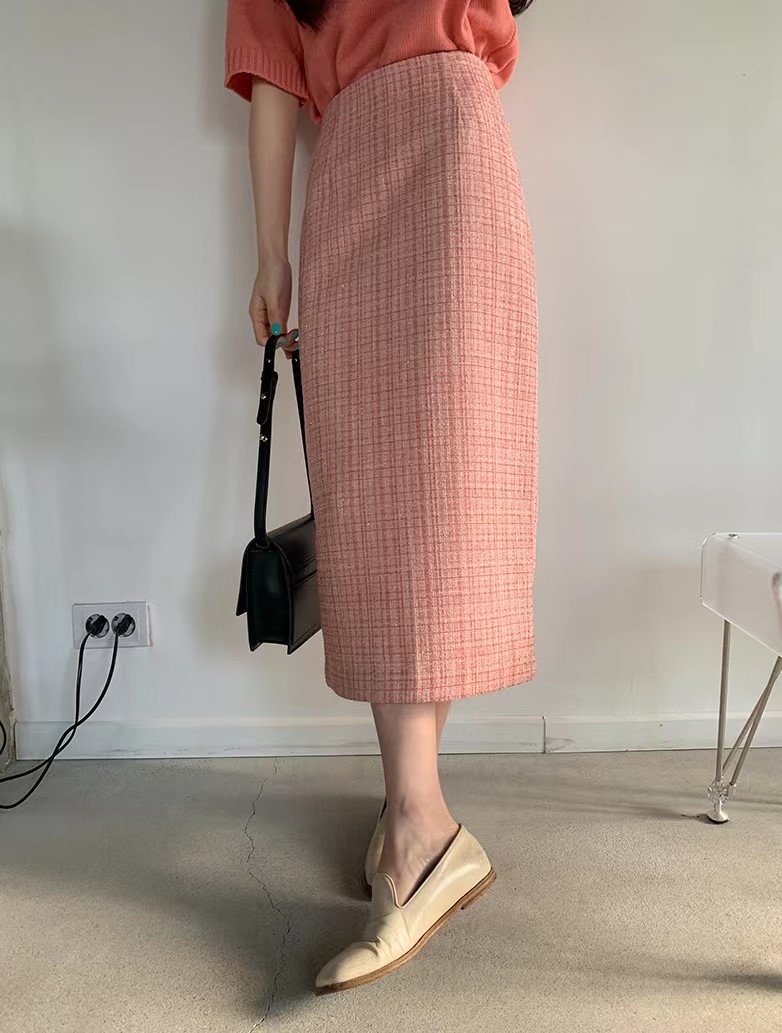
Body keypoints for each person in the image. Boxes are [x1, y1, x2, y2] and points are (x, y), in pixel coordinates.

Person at [224, 0, 538, 995]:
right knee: (369, 495)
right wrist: (270, 252)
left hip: (454, 141)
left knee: (441, 484)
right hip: (349, 155)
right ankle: (415, 815)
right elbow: (273, 71)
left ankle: (416, 823)